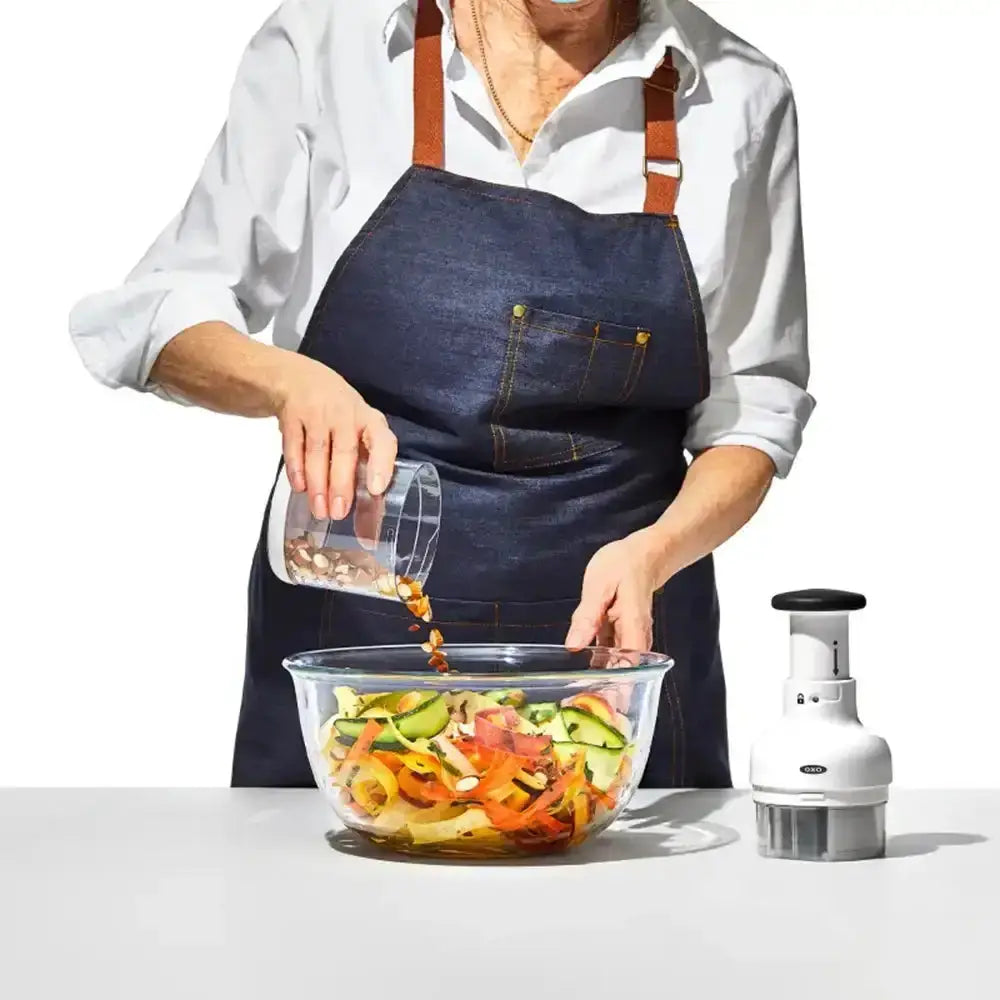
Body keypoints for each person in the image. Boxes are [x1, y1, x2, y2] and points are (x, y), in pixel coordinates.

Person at [69, 0, 813, 789]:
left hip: (615, 664)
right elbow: (159, 313)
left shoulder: (737, 94)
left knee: (634, 913)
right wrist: (288, 380)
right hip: (358, 647)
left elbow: (752, 411)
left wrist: (658, 552)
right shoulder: (334, 43)